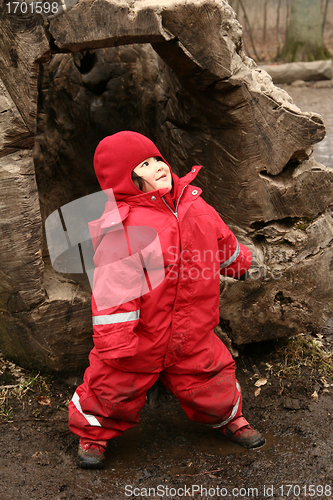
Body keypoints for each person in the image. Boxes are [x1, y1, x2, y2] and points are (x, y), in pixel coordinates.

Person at [68, 131, 265, 469]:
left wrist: (239, 262)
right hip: (143, 335)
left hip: (193, 328)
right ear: (124, 180)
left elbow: (220, 240)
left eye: (157, 159)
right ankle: (94, 434)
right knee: (112, 386)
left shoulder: (194, 204)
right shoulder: (124, 228)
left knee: (210, 376)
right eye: (143, 164)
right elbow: (114, 290)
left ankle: (228, 419)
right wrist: (115, 341)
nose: (157, 166)